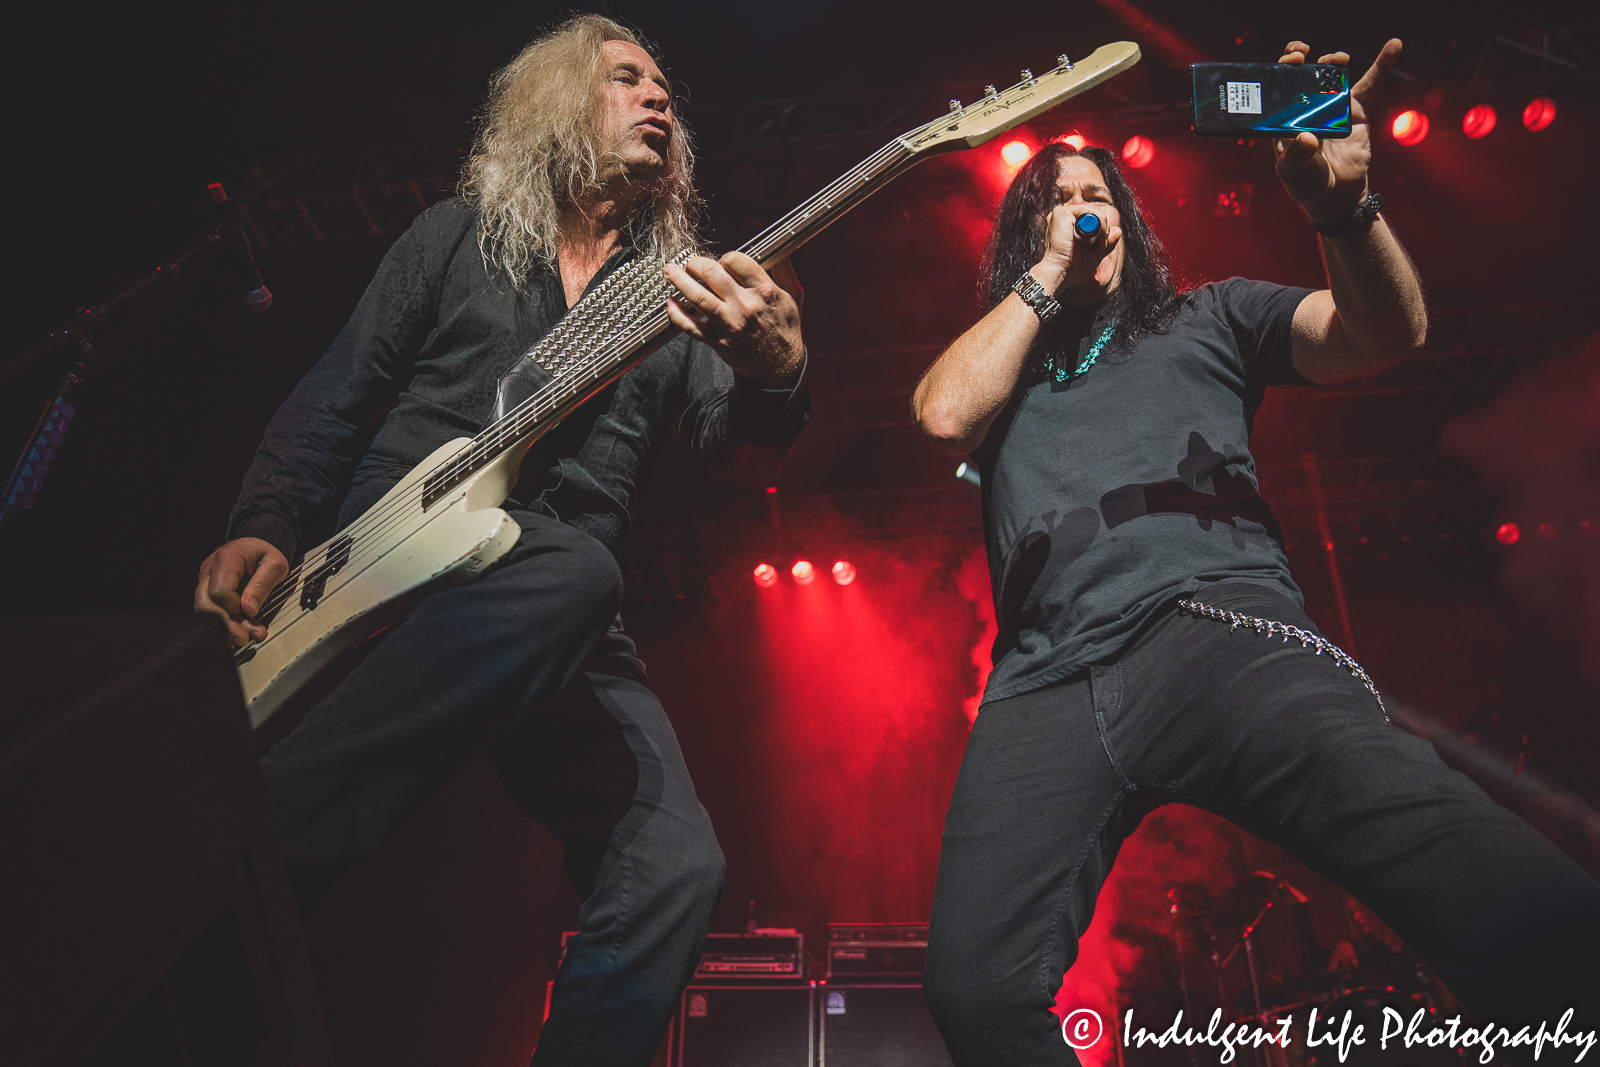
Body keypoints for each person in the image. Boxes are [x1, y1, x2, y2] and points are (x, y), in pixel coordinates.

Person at [913, 37, 1600, 1066]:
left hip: (1216, 626)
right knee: (972, 986)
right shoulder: (1008, 356)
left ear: (1131, 221)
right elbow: (938, 415)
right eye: (1054, 201)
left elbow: (1379, 333)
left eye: (1097, 193)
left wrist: (1342, 209)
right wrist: (1045, 278)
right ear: (1026, 234)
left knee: (1465, 861)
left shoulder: (1210, 315)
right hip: (1044, 681)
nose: (1080, 207)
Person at [193, 15, 809, 1065]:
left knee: (675, 870)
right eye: (625, 79)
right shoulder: (454, 235)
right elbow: (334, 397)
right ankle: (244, 855)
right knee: (574, 566)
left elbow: (731, 442)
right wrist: (264, 522)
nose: (659, 98)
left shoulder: (679, 289)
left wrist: (775, 366)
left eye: (665, 87)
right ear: (557, 103)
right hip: (396, 557)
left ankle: (263, 843)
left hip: (552, 597)